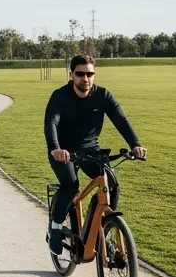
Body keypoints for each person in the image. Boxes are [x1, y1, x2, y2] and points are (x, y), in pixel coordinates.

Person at [43, 54, 147, 255]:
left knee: (111, 183)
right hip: (63, 152)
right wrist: (56, 148)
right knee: (70, 186)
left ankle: (103, 226)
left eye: (90, 74)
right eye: (80, 74)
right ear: (71, 75)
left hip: (90, 150)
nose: (85, 78)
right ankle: (55, 228)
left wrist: (135, 144)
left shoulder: (103, 95)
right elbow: (51, 123)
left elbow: (121, 120)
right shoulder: (60, 96)